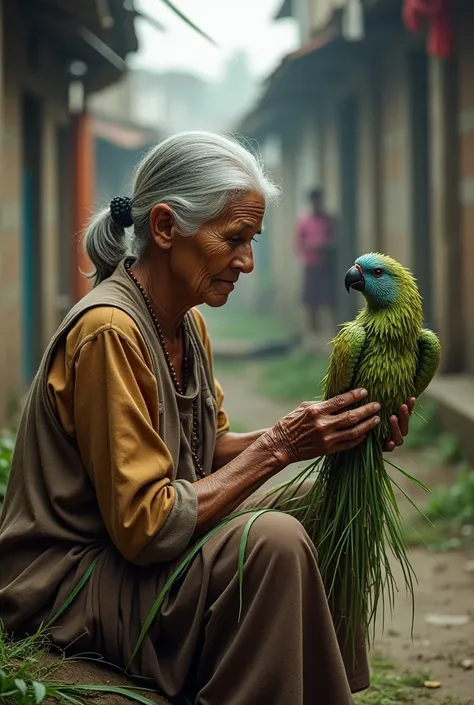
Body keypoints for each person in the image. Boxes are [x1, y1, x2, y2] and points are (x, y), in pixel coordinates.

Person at [0, 132, 414, 705]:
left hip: (126, 564)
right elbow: (147, 527)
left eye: (253, 240)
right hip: (69, 585)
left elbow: (209, 448)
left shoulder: (185, 321)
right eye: (234, 238)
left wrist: (333, 438)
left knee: (331, 505)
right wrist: (276, 446)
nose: (246, 261)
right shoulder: (109, 332)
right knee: (271, 542)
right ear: (167, 228)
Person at [294, 187, 336, 348]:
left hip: (326, 266)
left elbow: (335, 240)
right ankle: (312, 338)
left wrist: (323, 246)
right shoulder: (304, 221)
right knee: (310, 302)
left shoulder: (329, 220)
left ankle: (332, 335)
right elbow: (299, 243)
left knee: (329, 300)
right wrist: (312, 247)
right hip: (310, 265)